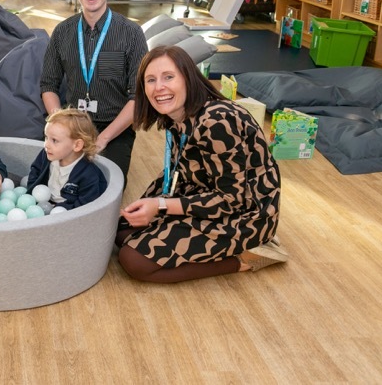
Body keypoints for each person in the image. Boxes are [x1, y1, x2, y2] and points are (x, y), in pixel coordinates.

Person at [117, 45, 287, 283]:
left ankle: (249, 258)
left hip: (245, 214)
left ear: (188, 78)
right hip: (202, 193)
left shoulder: (218, 121)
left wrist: (159, 206)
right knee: (121, 230)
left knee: (134, 261)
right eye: (151, 80)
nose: (159, 88)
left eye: (168, 77)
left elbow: (230, 200)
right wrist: (148, 204)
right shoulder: (176, 115)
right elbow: (178, 171)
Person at [40, 0, 148, 188]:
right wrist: (61, 127)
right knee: (47, 182)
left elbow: (138, 97)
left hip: (114, 128)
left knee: (106, 186)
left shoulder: (131, 34)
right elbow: (48, 85)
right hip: (73, 125)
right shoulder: (62, 32)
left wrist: (103, 139)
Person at [26, 108, 107, 209]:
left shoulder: (88, 174)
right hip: (42, 204)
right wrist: (32, 195)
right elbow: (35, 171)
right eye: (46, 137)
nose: (46, 144)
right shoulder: (47, 154)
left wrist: (57, 208)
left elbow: (85, 206)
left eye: (54, 140)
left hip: (67, 213)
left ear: (77, 145)